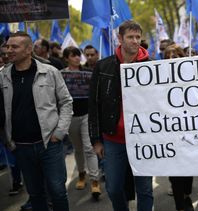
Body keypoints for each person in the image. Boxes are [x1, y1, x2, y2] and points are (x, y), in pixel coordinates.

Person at [1, 31, 73, 211]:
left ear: (28, 50)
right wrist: (8, 141)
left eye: (14, 47)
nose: (8, 50)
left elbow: (66, 102)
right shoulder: (2, 76)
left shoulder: (50, 72)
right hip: (21, 146)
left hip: (50, 144)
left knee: (57, 191)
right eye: (7, 46)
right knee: (35, 194)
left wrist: (59, 132)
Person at [89, 20, 153, 211]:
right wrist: (96, 140)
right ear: (120, 39)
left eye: (138, 37)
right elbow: (94, 106)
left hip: (143, 139)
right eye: (130, 37)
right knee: (114, 188)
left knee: (145, 189)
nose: (135, 41)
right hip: (113, 139)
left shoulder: (152, 67)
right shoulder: (103, 67)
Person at [61, 46, 101, 199]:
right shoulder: (61, 75)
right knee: (78, 149)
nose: (77, 58)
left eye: (78, 55)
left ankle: (94, 181)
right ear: (67, 58)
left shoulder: (88, 73)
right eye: (73, 56)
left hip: (86, 115)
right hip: (70, 116)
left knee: (89, 148)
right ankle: (81, 174)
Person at [163, 44, 195, 211]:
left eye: (175, 56)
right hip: (169, 131)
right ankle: (180, 206)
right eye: (168, 56)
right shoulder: (158, 79)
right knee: (175, 171)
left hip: (189, 130)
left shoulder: (192, 77)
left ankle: (186, 193)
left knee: (188, 168)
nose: (171, 59)